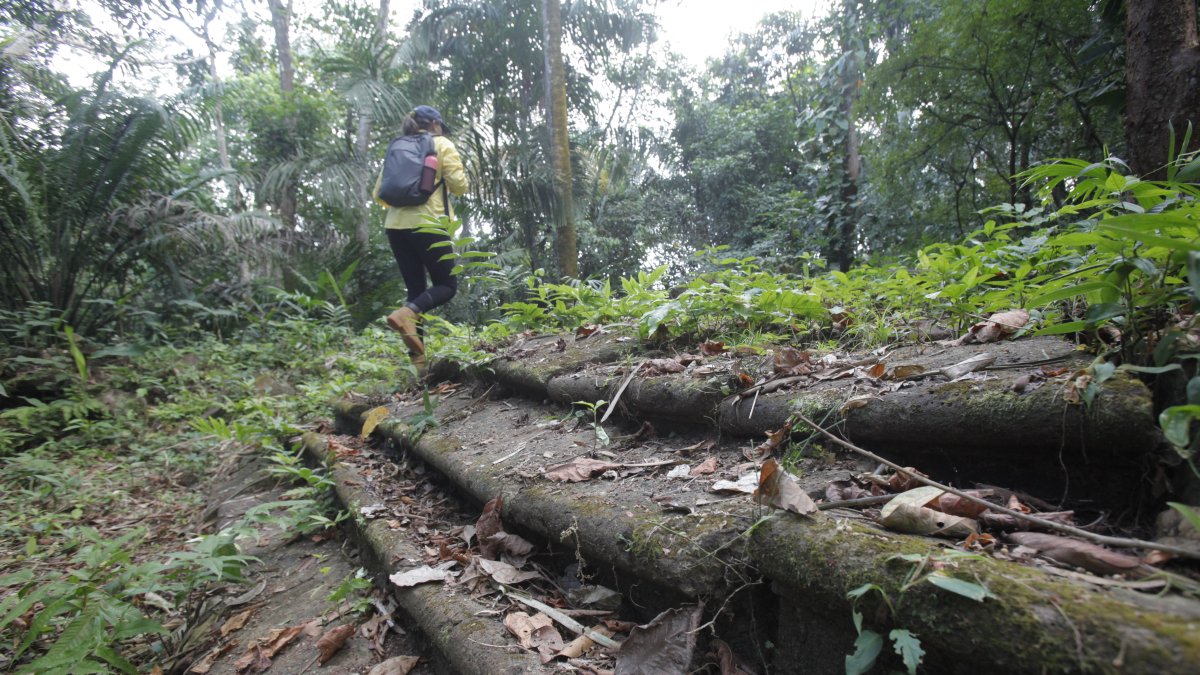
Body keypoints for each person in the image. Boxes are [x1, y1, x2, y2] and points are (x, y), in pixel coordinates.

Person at [374, 105, 469, 369]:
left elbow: (379, 194)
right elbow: (460, 186)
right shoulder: (442, 144)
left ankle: (420, 366)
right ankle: (405, 314)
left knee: (416, 292)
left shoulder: (398, 147)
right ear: (436, 125)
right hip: (430, 224)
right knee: (446, 286)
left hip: (395, 226)